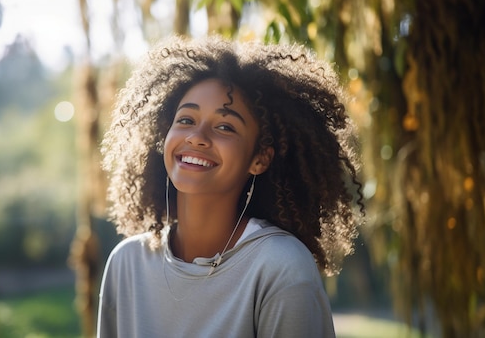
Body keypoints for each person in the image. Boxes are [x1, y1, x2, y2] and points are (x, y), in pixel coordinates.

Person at [97, 35, 365, 337]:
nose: (197, 136)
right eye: (185, 119)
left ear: (260, 158)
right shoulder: (126, 263)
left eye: (225, 126)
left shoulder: (280, 267)